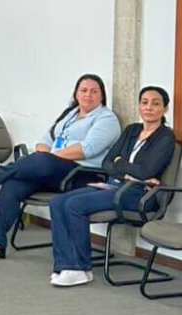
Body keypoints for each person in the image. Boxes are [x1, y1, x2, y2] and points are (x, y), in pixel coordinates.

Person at [0, 74, 122, 261]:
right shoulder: (70, 114)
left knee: (42, 162)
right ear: (76, 94)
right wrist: (44, 155)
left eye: (94, 91)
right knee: (13, 184)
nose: (88, 95)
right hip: (53, 171)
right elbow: (46, 139)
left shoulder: (106, 118)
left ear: (102, 96)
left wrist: (49, 157)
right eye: (83, 90)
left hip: (82, 174)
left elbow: (88, 148)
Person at [48, 86, 175, 287]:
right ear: (139, 106)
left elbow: (145, 172)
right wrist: (126, 172)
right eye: (144, 102)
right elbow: (107, 162)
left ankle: (79, 268)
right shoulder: (132, 130)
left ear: (165, 109)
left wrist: (120, 163)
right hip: (114, 185)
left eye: (156, 103)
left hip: (140, 194)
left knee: (74, 205)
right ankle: (65, 265)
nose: (149, 107)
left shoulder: (165, 137)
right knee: (57, 202)